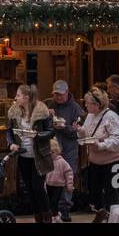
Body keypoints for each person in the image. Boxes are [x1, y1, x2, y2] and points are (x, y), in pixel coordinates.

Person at [7, 84, 56, 222]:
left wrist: (37, 135)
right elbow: (9, 130)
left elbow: (51, 131)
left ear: (26, 97)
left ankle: (48, 218)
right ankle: (38, 218)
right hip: (23, 156)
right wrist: (11, 143)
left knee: (38, 188)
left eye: (18, 95)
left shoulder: (42, 111)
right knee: (30, 189)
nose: (15, 98)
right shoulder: (14, 112)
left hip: (39, 156)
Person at [77, 86, 119, 222]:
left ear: (97, 105)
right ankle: (103, 215)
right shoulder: (90, 115)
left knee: (114, 192)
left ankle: (115, 218)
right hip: (96, 161)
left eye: (87, 103)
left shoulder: (111, 117)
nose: (85, 105)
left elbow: (118, 140)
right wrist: (80, 131)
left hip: (116, 160)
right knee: (95, 192)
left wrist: (100, 145)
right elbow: (88, 132)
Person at [49, 79, 83, 221]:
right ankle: (53, 209)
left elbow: (79, 132)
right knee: (53, 176)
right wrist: (47, 117)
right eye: (55, 94)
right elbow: (43, 126)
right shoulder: (49, 105)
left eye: (60, 94)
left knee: (68, 175)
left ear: (67, 93)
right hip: (54, 148)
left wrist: (66, 128)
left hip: (70, 148)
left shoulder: (76, 108)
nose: (58, 97)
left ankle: (66, 208)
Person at [44, 139, 74, 220]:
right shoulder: (47, 162)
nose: (51, 154)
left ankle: (55, 216)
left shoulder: (62, 162)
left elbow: (69, 173)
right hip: (48, 185)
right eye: (49, 152)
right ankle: (54, 214)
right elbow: (43, 174)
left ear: (57, 151)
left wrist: (69, 185)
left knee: (54, 201)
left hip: (59, 186)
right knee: (49, 202)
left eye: (52, 152)